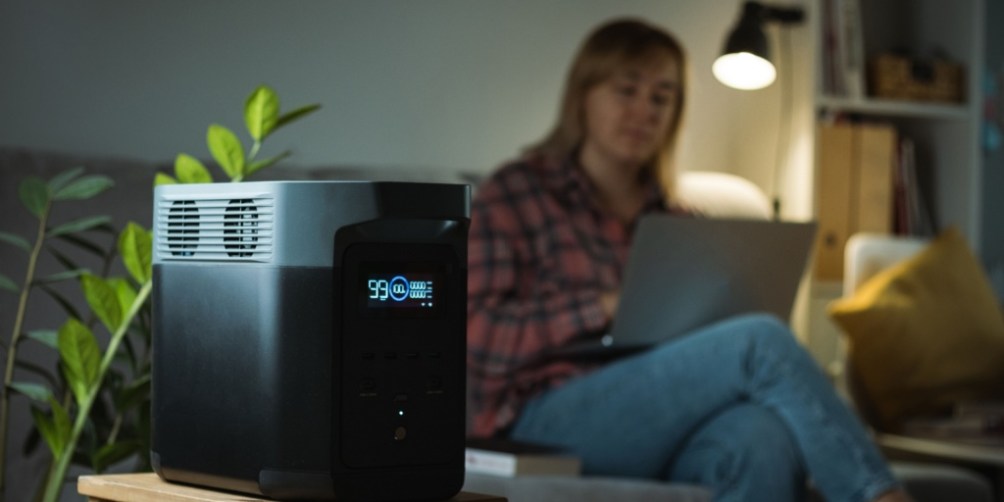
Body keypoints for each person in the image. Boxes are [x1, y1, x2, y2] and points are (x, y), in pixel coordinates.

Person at [466, 18, 912, 502]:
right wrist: (604, 306)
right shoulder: (515, 193)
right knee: (758, 341)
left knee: (759, 436)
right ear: (583, 96)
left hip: (665, 418)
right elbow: (476, 334)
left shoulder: (683, 223)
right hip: (545, 416)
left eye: (662, 97)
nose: (644, 110)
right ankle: (880, 496)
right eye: (627, 90)